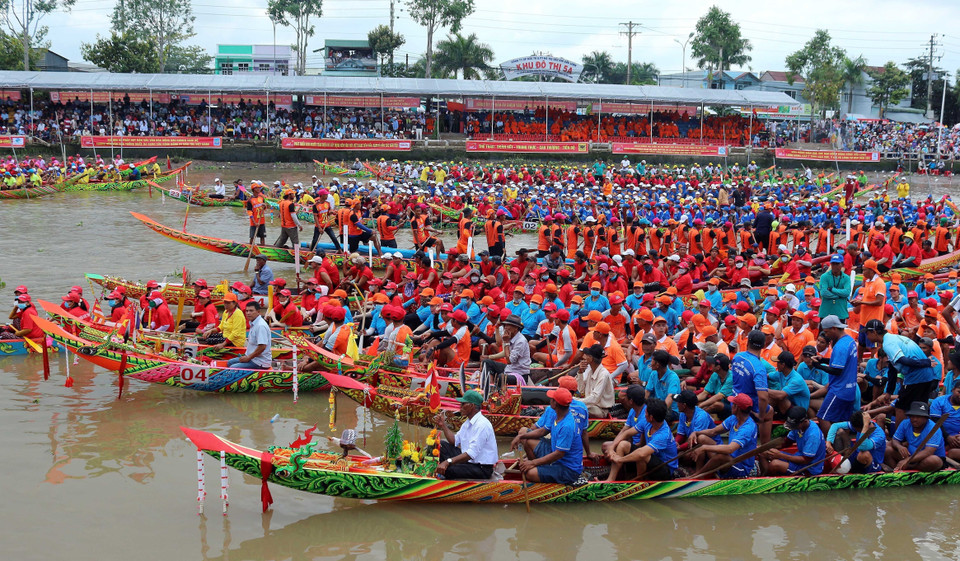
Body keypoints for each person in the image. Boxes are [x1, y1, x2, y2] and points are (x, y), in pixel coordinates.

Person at [863, 318, 938, 426]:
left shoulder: (888, 343)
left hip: (917, 377)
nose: (867, 336)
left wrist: (925, 362)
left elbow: (903, 360)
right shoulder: (892, 338)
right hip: (924, 376)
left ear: (874, 332)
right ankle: (914, 436)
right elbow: (893, 368)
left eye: (867, 333)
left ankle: (899, 437)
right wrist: (889, 391)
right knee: (917, 409)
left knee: (900, 408)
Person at [511, 387, 584, 484]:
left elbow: (559, 454)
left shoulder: (567, 425)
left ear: (555, 403)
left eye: (552, 399)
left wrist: (532, 463)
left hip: (568, 468)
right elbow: (542, 431)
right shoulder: (556, 413)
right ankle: (540, 468)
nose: (549, 400)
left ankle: (537, 468)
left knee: (529, 473)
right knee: (528, 439)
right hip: (556, 454)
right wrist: (521, 436)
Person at [605, 398, 677, 481]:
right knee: (622, 445)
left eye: (646, 412)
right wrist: (611, 447)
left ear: (651, 417)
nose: (644, 414)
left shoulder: (663, 434)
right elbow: (626, 433)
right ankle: (611, 479)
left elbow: (641, 454)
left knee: (642, 455)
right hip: (651, 459)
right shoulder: (647, 421)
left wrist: (619, 459)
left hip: (664, 469)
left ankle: (638, 481)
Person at [689, 393, 758, 479]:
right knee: (702, 438)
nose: (730, 405)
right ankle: (703, 472)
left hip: (741, 468)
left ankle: (697, 476)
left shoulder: (748, 428)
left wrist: (704, 448)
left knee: (721, 457)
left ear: (737, 408)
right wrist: (696, 433)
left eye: (733, 404)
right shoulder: (733, 418)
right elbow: (713, 431)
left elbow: (730, 449)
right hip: (730, 460)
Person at [433, 390, 499, 480]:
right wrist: (443, 425)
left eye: (463, 404)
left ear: (471, 406)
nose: (460, 407)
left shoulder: (482, 425)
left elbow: (471, 454)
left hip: (481, 468)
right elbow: (454, 441)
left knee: (449, 469)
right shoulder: (467, 422)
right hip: (469, 461)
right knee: (440, 445)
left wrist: (448, 461)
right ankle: (441, 470)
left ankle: (444, 475)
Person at [812, 315, 859, 435]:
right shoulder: (849, 340)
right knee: (842, 423)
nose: (826, 335)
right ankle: (844, 449)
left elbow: (837, 370)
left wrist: (819, 366)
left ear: (834, 328)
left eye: (827, 332)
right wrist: (822, 360)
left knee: (823, 417)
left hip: (839, 390)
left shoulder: (840, 346)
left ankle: (831, 446)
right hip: (849, 390)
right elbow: (842, 362)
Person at [730, 329, 773, 443]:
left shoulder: (737, 356)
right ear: (763, 345)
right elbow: (763, 397)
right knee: (769, 412)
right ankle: (764, 449)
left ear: (748, 342)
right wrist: (761, 416)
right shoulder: (759, 367)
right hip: (748, 405)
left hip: (735, 399)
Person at [761, 406, 826, 475]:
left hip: (809, 468)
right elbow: (786, 442)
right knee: (763, 453)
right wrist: (766, 448)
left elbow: (806, 460)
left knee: (774, 464)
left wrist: (780, 455)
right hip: (798, 458)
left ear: (805, 421)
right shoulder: (798, 427)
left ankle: (770, 478)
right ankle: (763, 475)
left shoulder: (813, 435)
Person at [885, 401, 946, 472]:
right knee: (887, 450)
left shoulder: (934, 428)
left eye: (918, 416)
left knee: (933, 461)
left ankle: (909, 467)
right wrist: (900, 447)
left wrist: (908, 460)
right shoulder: (905, 423)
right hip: (910, 454)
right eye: (912, 416)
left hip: (926, 457)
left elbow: (928, 451)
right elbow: (895, 440)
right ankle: (895, 471)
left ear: (926, 418)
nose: (914, 419)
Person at [481, 314, 531, 386]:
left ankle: (498, 393)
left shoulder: (521, 341)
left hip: (520, 374)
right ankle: (490, 387)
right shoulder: (508, 336)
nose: (506, 328)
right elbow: (505, 351)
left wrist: (506, 343)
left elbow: (509, 361)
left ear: (516, 328)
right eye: (505, 325)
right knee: (486, 362)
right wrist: (489, 357)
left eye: (508, 325)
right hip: (510, 368)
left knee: (501, 377)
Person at [227, 301, 272, 370]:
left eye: (251, 311)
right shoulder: (253, 322)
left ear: (258, 312)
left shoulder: (260, 326)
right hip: (252, 358)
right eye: (247, 311)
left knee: (233, 368)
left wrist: (248, 357)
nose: (248, 313)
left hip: (260, 362)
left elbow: (262, 346)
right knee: (229, 362)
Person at [577, 343, 615, 417]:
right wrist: (580, 372)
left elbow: (594, 398)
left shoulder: (603, 374)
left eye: (586, 355)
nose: (584, 357)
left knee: (576, 408)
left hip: (601, 410)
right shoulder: (590, 371)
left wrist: (575, 402)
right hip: (591, 406)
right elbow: (580, 390)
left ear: (591, 358)